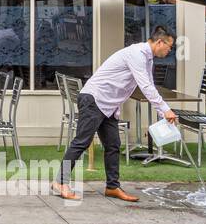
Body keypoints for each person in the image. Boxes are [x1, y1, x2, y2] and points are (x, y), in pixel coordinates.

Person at [52, 26, 179, 202]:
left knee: (113, 145)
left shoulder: (147, 59)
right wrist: (165, 109)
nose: (170, 50)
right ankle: (60, 182)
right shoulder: (137, 54)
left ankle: (112, 187)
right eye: (170, 46)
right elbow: (146, 86)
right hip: (94, 99)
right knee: (81, 142)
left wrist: (162, 111)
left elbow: (148, 85)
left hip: (109, 106)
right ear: (159, 42)